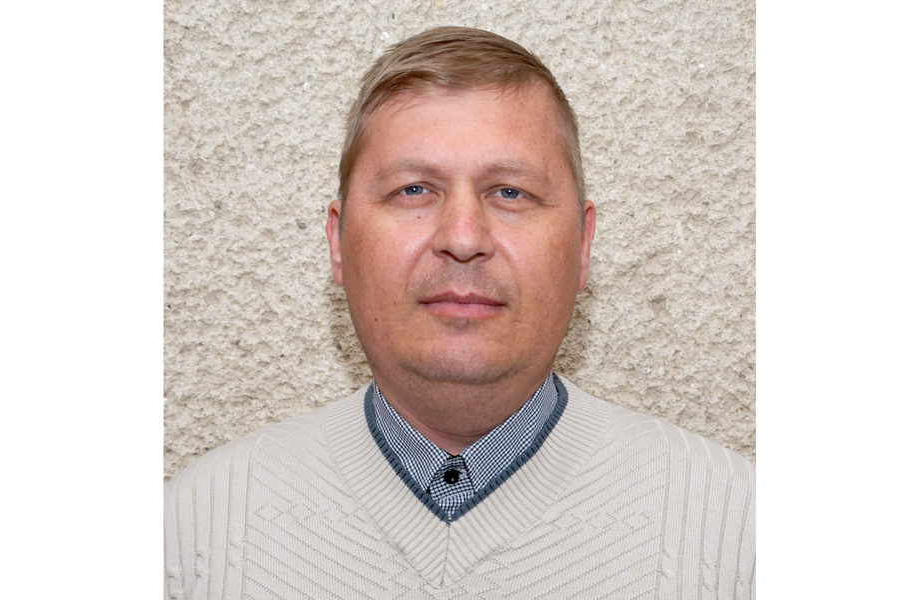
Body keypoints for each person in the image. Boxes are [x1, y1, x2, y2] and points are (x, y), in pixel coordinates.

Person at [165, 26, 755, 600]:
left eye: (510, 192)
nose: (464, 237)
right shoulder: (192, 532)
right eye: (414, 190)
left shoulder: (741, 531)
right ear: (339, 242)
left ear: (582, 245)